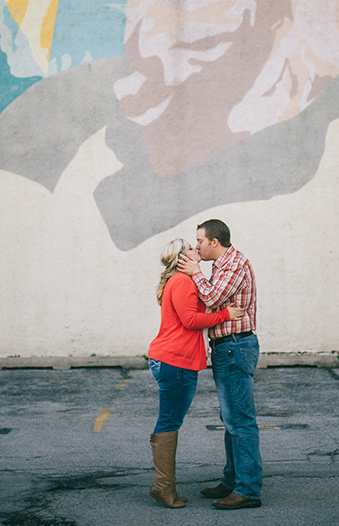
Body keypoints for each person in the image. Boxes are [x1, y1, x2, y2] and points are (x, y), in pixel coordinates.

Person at [147, 238, 244, 508]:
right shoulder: (181, 281)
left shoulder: (182, 281)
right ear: (180, 257)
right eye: (191, 247)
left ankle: (165, 487)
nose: (196, 249)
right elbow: (191, 321)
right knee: (168, 422)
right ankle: (163, 487)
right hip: (174, 361)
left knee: (170, 421)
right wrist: (225, 314)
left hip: (176, 361)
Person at [178, 218, 262, 510]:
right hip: (227, 348)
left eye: (200, 241)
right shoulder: (222, 265)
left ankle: (248, 490)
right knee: (232, 421)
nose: (196, 245)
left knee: (241, 422)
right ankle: (232, 481)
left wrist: (195, 273)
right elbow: (214, 303)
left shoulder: (234, 264)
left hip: (235, 347)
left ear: (215, 242)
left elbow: (212, 297)